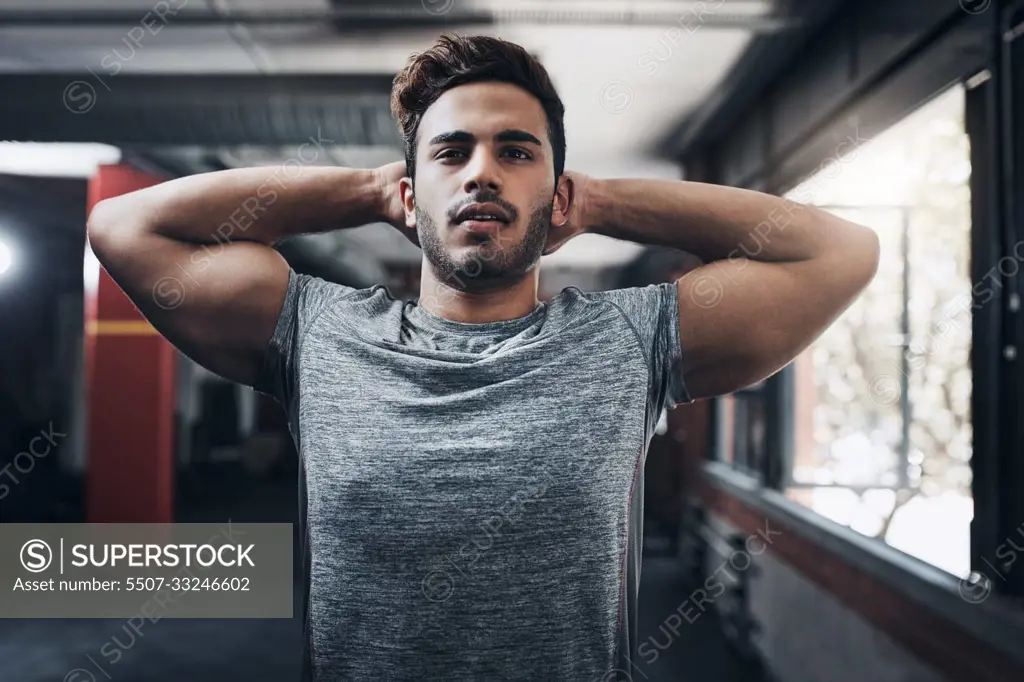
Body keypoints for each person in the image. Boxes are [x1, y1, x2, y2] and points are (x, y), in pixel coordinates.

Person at [86, 33, 879, 682]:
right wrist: (365, 188)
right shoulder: (316, 332)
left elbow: (837, 254)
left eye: (517, 153)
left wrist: (602, 201)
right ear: (409, 192)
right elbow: (124, 226)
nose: (481, 173)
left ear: (556, 192)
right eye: (451, 152)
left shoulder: (629, 341)